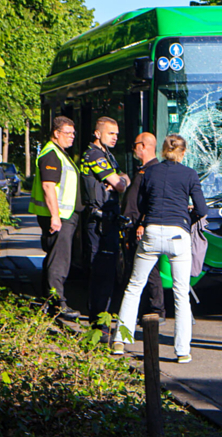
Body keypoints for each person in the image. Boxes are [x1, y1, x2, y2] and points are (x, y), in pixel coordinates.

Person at [113, 134, 207, 364]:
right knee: (180, 292)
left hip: (152, 231)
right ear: (183, 153)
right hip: (178, 234)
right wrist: (187, 215)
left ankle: (120, 340)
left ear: (163, 150)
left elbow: (142, 204)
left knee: (134, 286)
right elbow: (203, 209)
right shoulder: (190, 174)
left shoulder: (150, 172)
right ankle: (182, 350)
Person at [28, 116, 84, 320]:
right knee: (59, 261)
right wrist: (55, 216)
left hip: (62, 215)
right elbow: (48, 186)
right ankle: (57, 303)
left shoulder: (58, 153)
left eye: (73, 133)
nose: (72, 137)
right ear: (56, 133)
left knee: (54, 259)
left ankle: (48, 301)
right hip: (60, 216)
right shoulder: (52, 155)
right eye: (68, 133)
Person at [79, 117, 129, 334]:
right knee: (102, 273)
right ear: (97, 134)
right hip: (100, 222)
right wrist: (122, 180)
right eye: (111, 133)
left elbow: (117, 182)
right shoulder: (96, 156)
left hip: (106, 220)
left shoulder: (105, 155)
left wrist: (119, 181)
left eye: (117, 134)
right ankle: (100, 326)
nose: (115, 137)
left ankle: (101, 322)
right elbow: (119, 184)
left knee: (106, 273)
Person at [120, 132, 166, 322]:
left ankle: (156, 310)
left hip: (140, 228)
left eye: (135, 145)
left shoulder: (153, 171)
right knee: (139, 269)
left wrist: (143, 224)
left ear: (144, 146)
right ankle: (147, 310)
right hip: (133, 226)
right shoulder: (144, 170)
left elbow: (154, 201)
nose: (133, 149)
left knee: (149, 270)